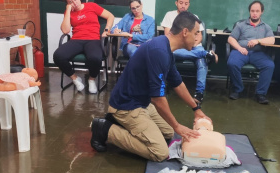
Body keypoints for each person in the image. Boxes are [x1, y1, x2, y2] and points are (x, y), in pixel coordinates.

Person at [90, 11, 212, 162]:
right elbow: (158, 98)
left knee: (168, 133)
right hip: (126, 106)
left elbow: (177, 83)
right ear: (185, 32)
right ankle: (105, 129)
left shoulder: (166, 48)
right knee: (160, 152)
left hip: (142, 103)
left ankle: (123, 123)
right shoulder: (159, 51)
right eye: (196, 33)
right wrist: (177, 126)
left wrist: (196, 109)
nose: (197, 38)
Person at [161, 0, 218, 105]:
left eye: (186, 3)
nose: (183, 6)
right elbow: (168, 35)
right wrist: (185, 45)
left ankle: (199, 93)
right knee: (172, 53)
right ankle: (206, 53)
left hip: (194, 47)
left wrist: (190, 45)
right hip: (177, 48)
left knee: (201, 61)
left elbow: (199, 36)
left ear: (189, 4)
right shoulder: (169, 15)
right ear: (176, 3)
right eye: (181, 3)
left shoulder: (194, 17)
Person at [53, 0, 114, 94]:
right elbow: (66, 30)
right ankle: (76, 79)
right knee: (58, 55)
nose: (74, 3)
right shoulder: (69, 12)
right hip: (76, 40)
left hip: (93, 39)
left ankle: (91, 80)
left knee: (95, 58)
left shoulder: (92, 6)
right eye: (70, 2)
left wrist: (107, 29)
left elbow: (110, 16)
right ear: (67, 4)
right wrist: (68, 10)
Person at [227, 0, 275, 104]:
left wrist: (258, 41)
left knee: (269, 65)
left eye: (257, 11)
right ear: (249, 12)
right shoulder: (241, 25)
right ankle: (237, 89)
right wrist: (239, 48)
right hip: (241, 51)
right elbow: (231, 39)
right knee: (232, 63)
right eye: (252, 11)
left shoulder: (266, 27)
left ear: (262, 12)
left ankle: (260, 94)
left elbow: (272, 40)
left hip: (258, 53)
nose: (254, 13)